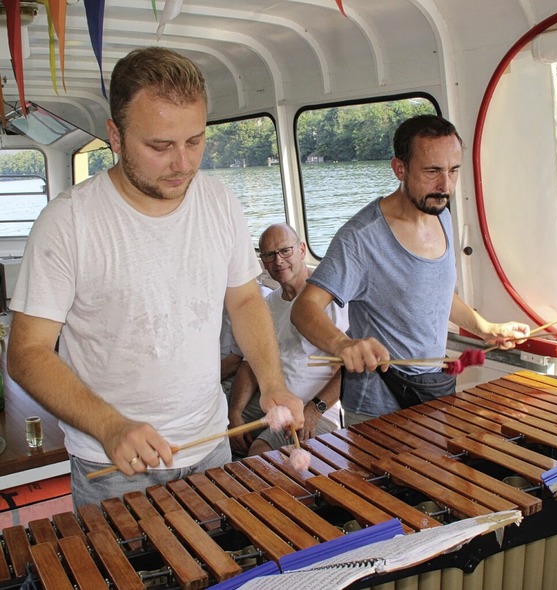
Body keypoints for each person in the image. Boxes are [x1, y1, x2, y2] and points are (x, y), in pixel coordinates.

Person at [6, 47, 303, 509]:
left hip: (211, 449)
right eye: (160, 146)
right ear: (116, 137)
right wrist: (109, 425)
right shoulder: (68, 222)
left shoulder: (219, 202)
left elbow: (244, 301)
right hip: (116, 466)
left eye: (195, 141)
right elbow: (26, 353)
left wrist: (273, 383)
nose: (183, 164)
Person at [290, 114, 530, 426]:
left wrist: (486, 328)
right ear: (399, 169)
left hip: (430, 391)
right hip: (375, 407)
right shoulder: (361, 238)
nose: (445, 186)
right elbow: (304, 307)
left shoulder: (440, 212)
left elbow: (437, 293)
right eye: (432, 171)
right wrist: (342, 344)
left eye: (453, 171)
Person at [228, 223, 348, 456]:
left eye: (285, 251)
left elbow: (350, 369)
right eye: (270, 255)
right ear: (263, 262)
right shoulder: (267, 306)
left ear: (302, 250)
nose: (279, 261)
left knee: (260, 453)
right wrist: (235, 412)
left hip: (314, 408)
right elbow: (250, 364)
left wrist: (316, 409)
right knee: (215, 437)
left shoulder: (332, 300)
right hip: (270, 403)